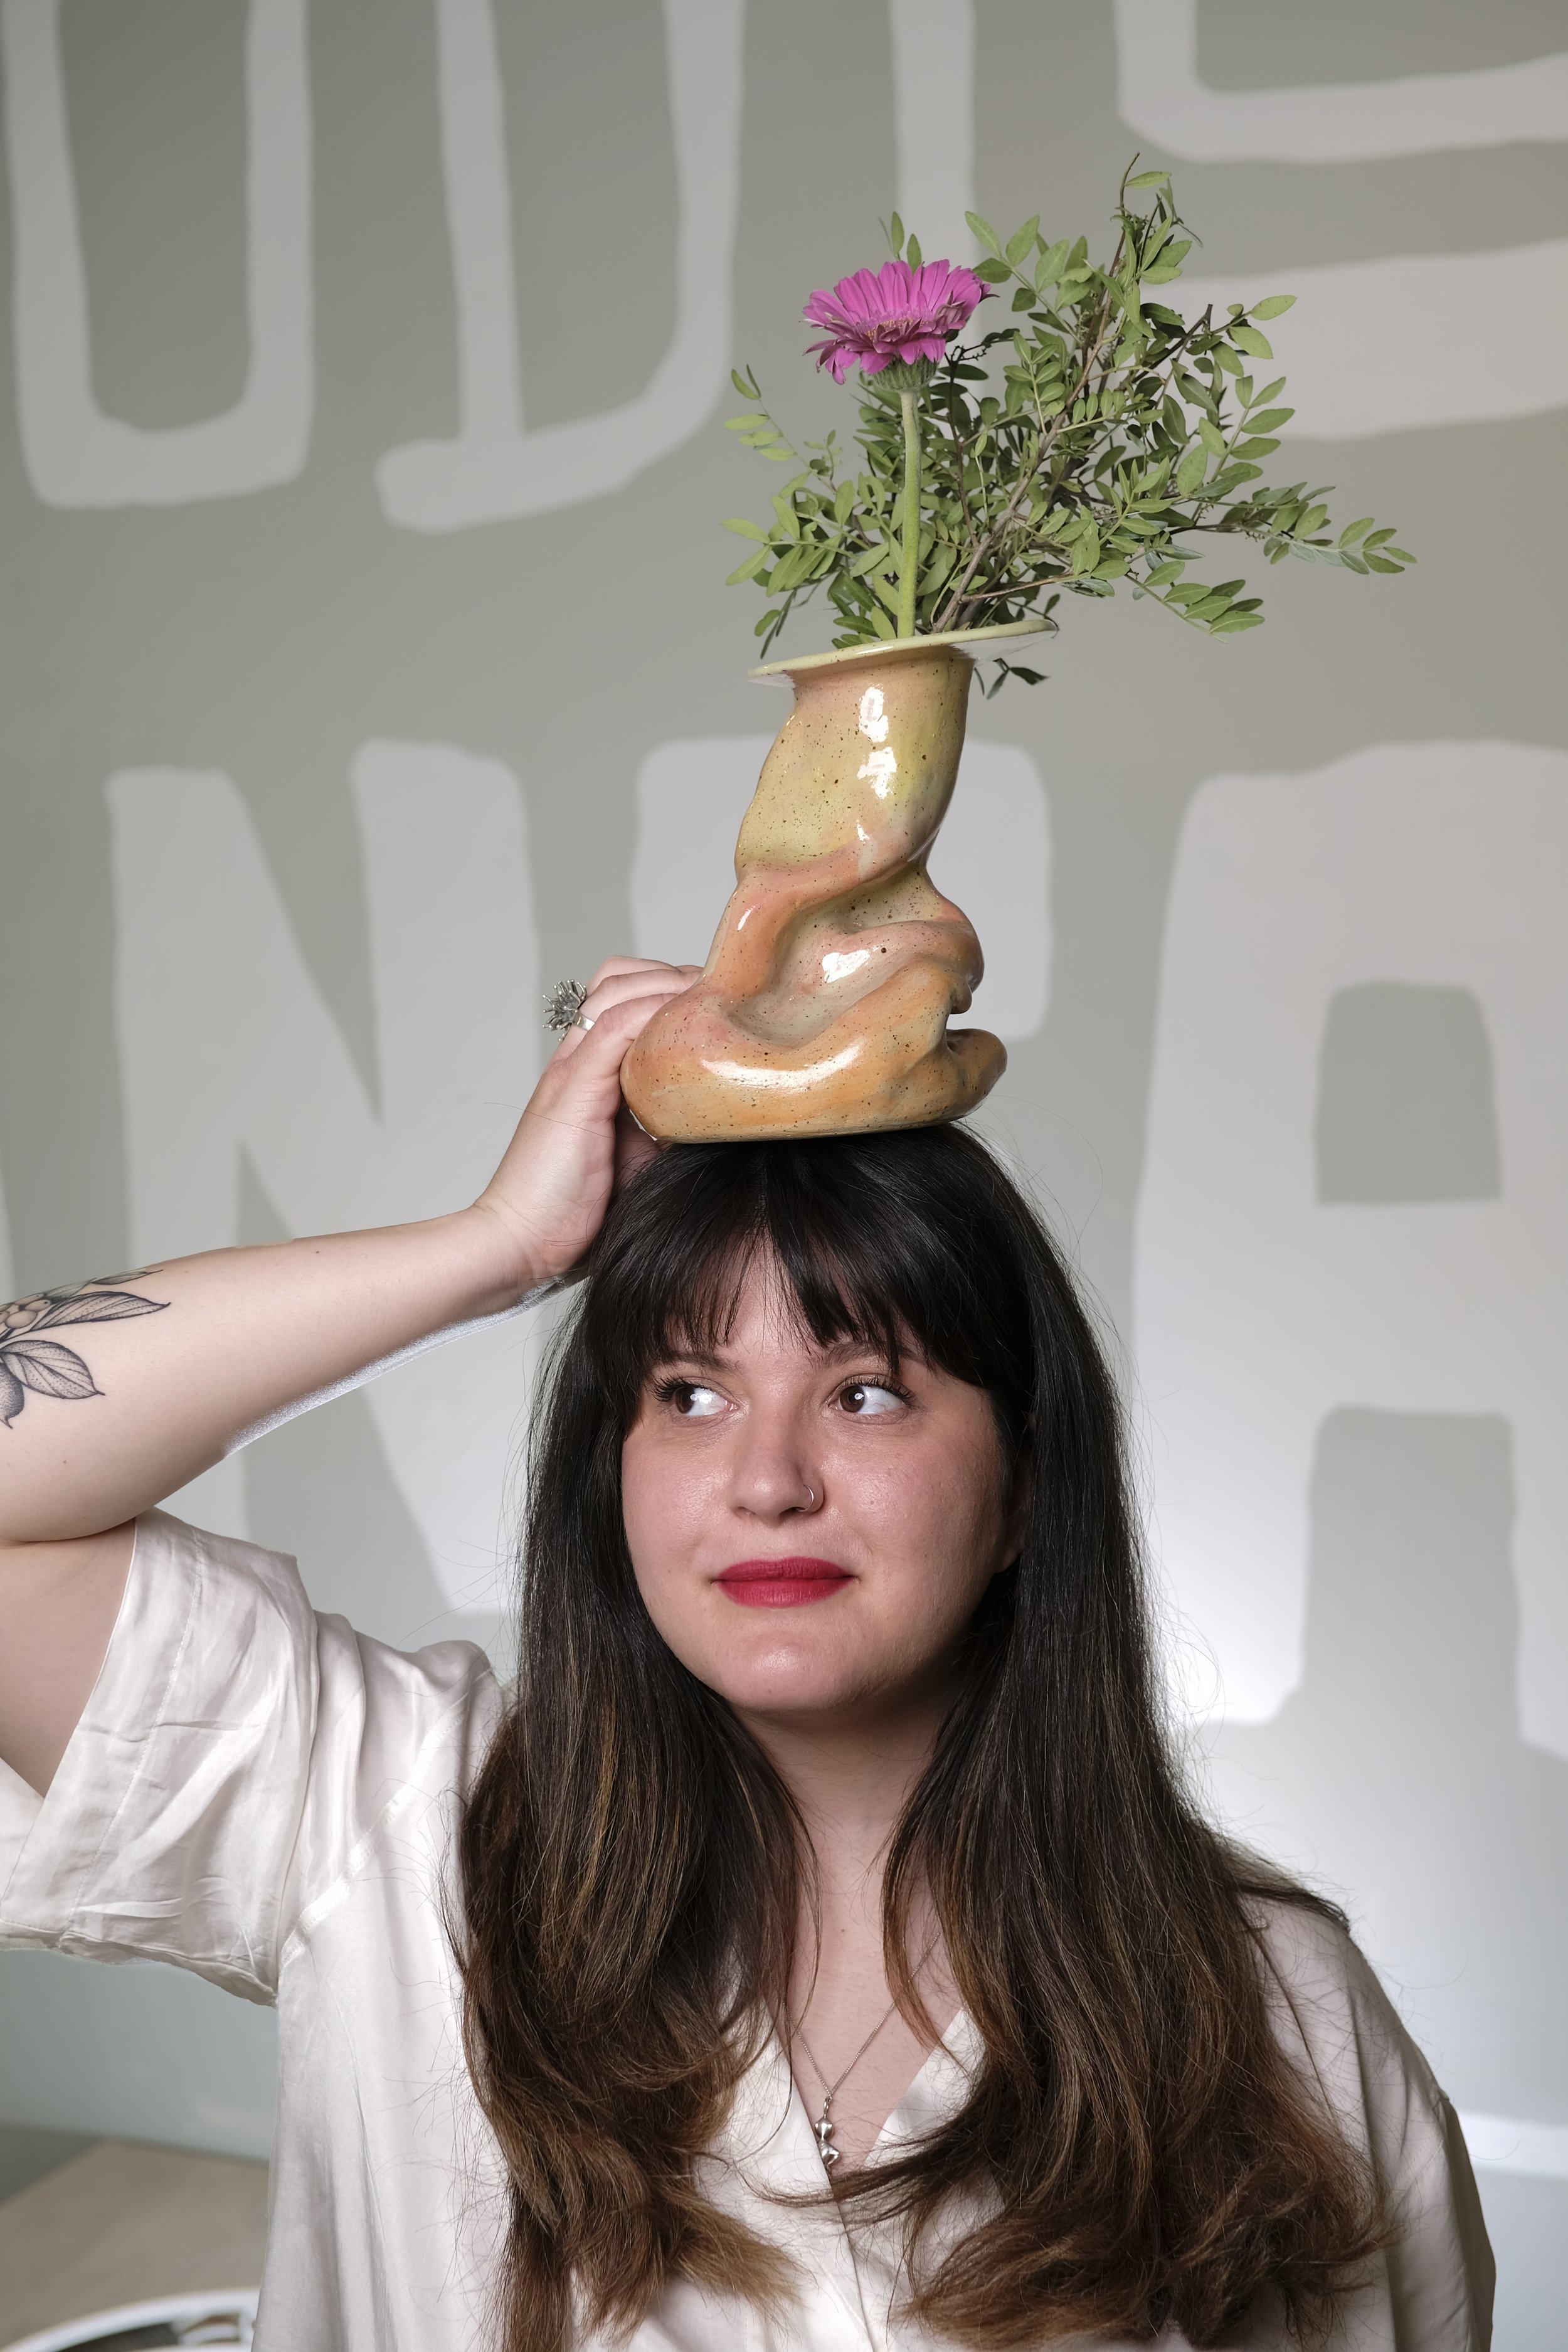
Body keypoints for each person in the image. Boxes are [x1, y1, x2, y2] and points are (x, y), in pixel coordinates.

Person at [0, 958, 1492, 2351]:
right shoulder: (394, 1830)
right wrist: (498, 1249)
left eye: (866, 1393)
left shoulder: (1277, 2011)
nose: (767, 1480)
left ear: (1023, 1487)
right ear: (616, 1469)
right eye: (692, 1395)